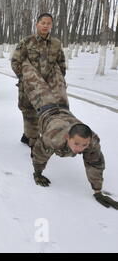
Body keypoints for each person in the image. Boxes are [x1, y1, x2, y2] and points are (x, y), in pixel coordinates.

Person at [21, 58, 117, 209]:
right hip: (46, 107)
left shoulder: (92, 141)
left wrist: (98, 191)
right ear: (67, 138)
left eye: (83, 145)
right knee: (33, 78)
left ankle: (50, 60)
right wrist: (37, 173)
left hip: (63, 108)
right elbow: (39, 153)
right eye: (76, 144)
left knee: (56, 75)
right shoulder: (53, 138)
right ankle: (27, 59)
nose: (80, 148)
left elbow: (95, 164)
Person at [11, 13, 66, 147]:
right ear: (37, 25)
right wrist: (27, 79)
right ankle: (33, 142)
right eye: (43, 23)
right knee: (29, 112)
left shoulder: (56, 43)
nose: (45, 26)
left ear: (51, 26)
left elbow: (61, 63)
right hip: (29, 87)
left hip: (48, 87)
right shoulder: (27, 42)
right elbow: (15, 62)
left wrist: (58, 81)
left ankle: (31, 136)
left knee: (46, 112)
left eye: (48, 23)